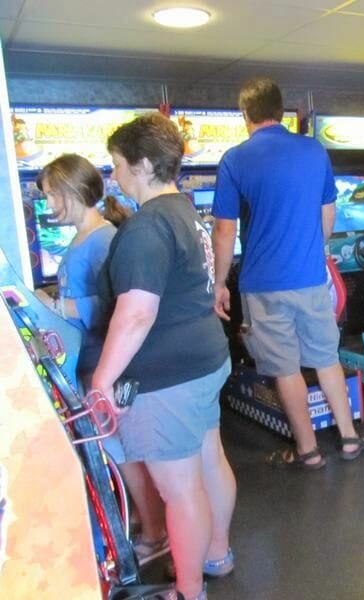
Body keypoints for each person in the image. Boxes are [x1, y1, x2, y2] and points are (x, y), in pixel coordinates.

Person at [92, 113, 237, 600]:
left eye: (117, 166)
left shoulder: (146, 227)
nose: (114, 176)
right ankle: (217, 553)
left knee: (180, 489)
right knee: (209, 462)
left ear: (145, 164)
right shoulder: (184, 210)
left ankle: (189, 592)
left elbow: (135, 314)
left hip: (167, 377)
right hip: (206, 359)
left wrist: (101, 383)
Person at [212, 77, 364, 469]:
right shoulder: (314, 150)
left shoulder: (235, 159)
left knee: (285, 368)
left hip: (262, 285)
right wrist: (311, 249)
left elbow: (224, 230)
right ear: (281, 112)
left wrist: (218, 283)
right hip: (311, 278)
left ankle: (308, 450)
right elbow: (327, 216)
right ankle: (349, 438)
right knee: (326, 358)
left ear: (245, 114)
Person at [33, 153, 168, 567]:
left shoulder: (104, 239)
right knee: (117, 451)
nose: (49, 204)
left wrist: (58, 306)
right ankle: (150, 528)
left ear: (73, 192)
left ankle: (156, 533)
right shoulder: (87, 237)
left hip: (103, 361)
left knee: (125, 452)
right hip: (88, 357)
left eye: (52, 195)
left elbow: (113, 306)